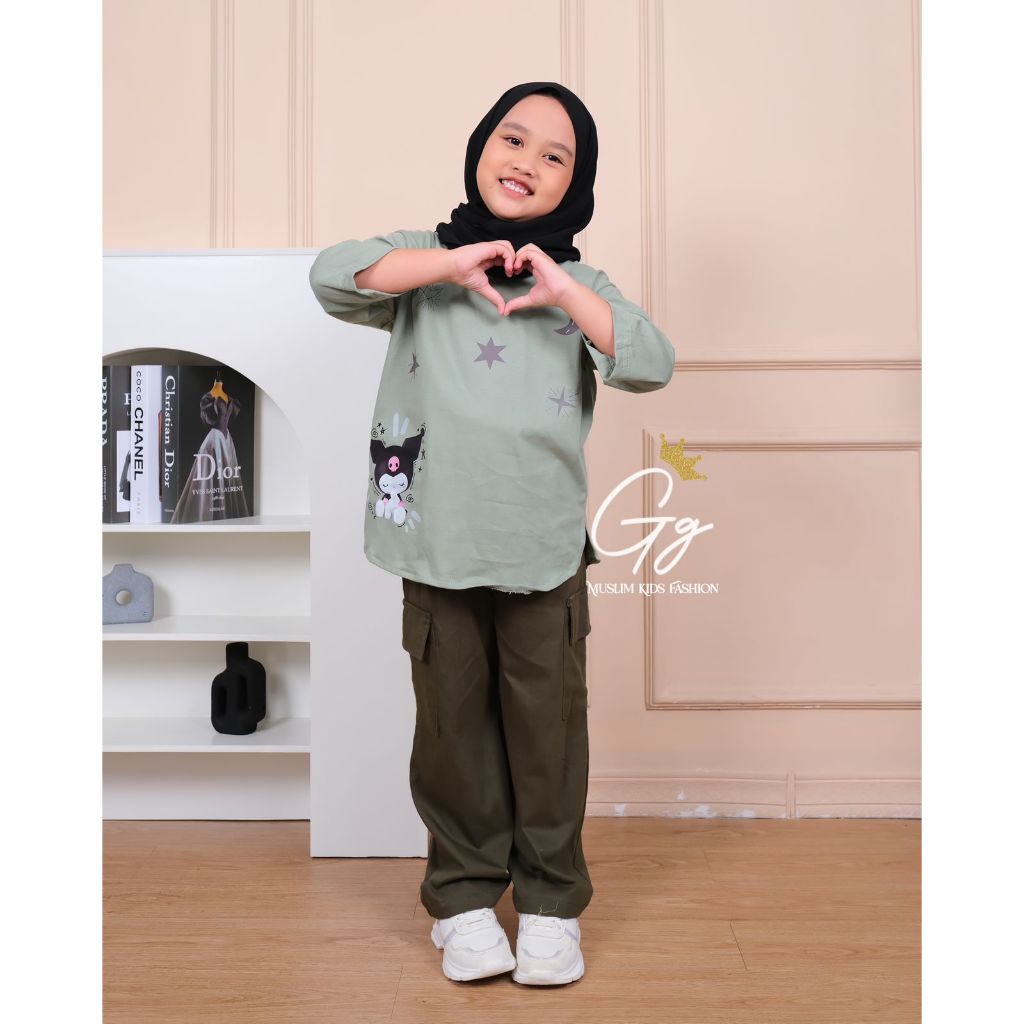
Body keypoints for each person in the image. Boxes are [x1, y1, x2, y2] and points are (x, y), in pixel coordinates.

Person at [309, 81, 675, 986]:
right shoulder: (421, 265)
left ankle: (551, 905)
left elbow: (650, 362)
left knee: (548, 734)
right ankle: (463, 900)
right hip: (436, 541)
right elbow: (333, 275)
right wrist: (448, 263)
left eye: (555, 156)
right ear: (481, 148)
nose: (527, 163)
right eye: (513, 140)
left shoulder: (579, 286)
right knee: (452, 732)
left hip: (540, 548)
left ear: (575, 185)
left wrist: (562, 288)